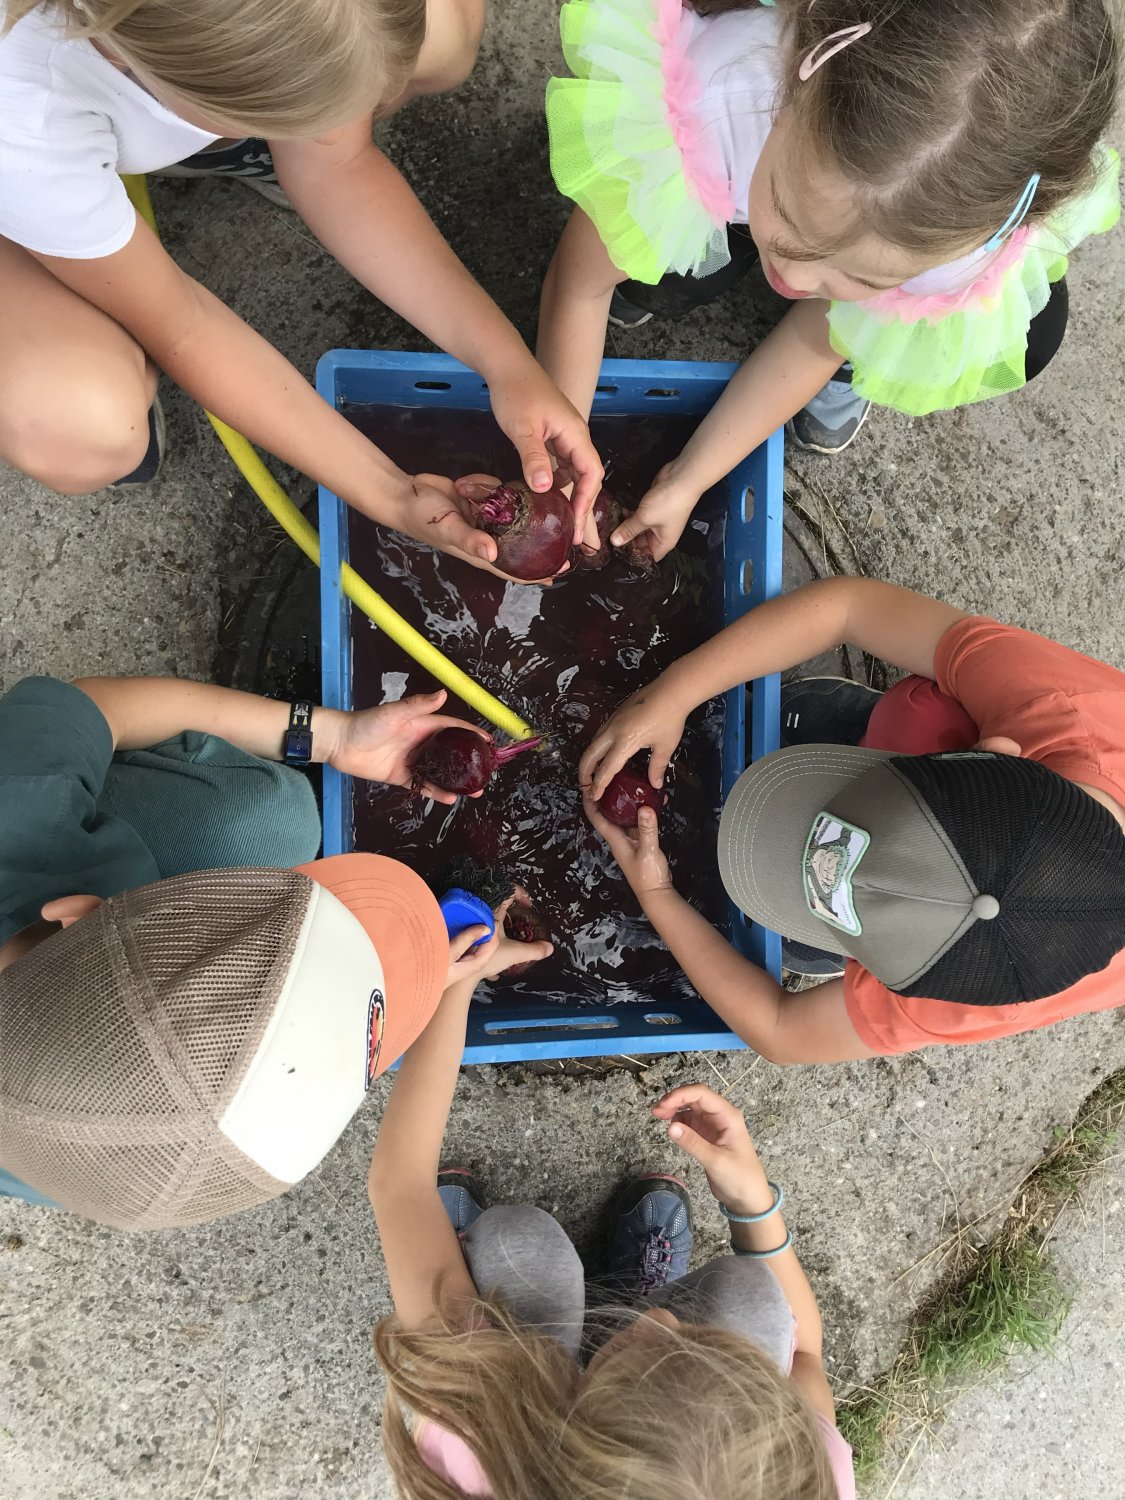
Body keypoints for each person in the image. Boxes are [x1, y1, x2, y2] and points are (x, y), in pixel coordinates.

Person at [0, 0, 602, 574]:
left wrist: (508, 365)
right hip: (24, 174)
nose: (339, 128)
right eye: (289, 123)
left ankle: (235, 142)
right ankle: (86, 259)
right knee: (82, 425)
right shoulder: (27, 123)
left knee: (443, 41)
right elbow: (183, 326)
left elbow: (339, 163)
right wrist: (390, 495)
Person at [538, 0, 1119, 557]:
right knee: (651, 261)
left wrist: (687, 480)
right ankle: (707, 243)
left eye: (863, 276)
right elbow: (579, 286)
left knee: (1032, 332)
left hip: (792, 182)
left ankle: (857, 349)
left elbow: (819, 336)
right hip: (723, 148)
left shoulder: (958, 254)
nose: (792, 278)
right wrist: (565, 465)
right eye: (785, 213)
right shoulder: (718, 95)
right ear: (792, 91)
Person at [367, 905, 855, 1498]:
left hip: (511, 1405)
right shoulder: (788, 1474)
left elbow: (399, 1185)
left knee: (521, 1245)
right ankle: (632, 1301)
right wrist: (749, 1198)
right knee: (757, 1304)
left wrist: (458, 984)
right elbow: (804, 1354)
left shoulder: (480, 1432)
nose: (658, 1319)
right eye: (694, 1343)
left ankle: (458, 1265)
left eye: (638, 1350)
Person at [0, 671, 495, 1214]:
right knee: (280, 828)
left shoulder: (24, 815)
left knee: (277, 822)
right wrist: (416, 978)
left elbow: (96, 709)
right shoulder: (128, 1176)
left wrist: (333, 737)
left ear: (79, 916)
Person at [579, 577, 1125, 1062]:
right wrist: (674, 692)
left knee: (801, 945)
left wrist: (658, 895)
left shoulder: (975, 987)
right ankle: (868, 736)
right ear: (998, 752)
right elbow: (848, 608)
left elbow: (782, 1030)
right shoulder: (1065, 707)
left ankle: (832, 937)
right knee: (925, 714)